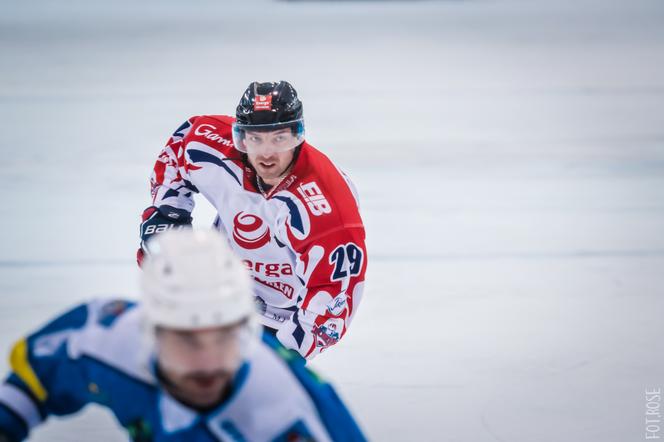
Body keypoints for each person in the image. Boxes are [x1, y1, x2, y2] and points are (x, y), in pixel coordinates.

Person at [0, 230, 366, 442]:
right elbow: (33, 380)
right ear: (150, 330)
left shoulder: (286, 418)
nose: (208, 362)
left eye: (224, 337)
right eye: (187, 339)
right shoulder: (102, 337)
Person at [138, 81, 367, 359]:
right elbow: (180, 146)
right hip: (220, 290)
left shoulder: (328, 210)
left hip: (282, 318)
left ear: (298, 135)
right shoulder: (210, 141)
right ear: (240, 136)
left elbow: (332, 300)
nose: (266, 153)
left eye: (279, 138)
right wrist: (168, 210)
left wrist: (283, 358)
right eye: (255, 138)